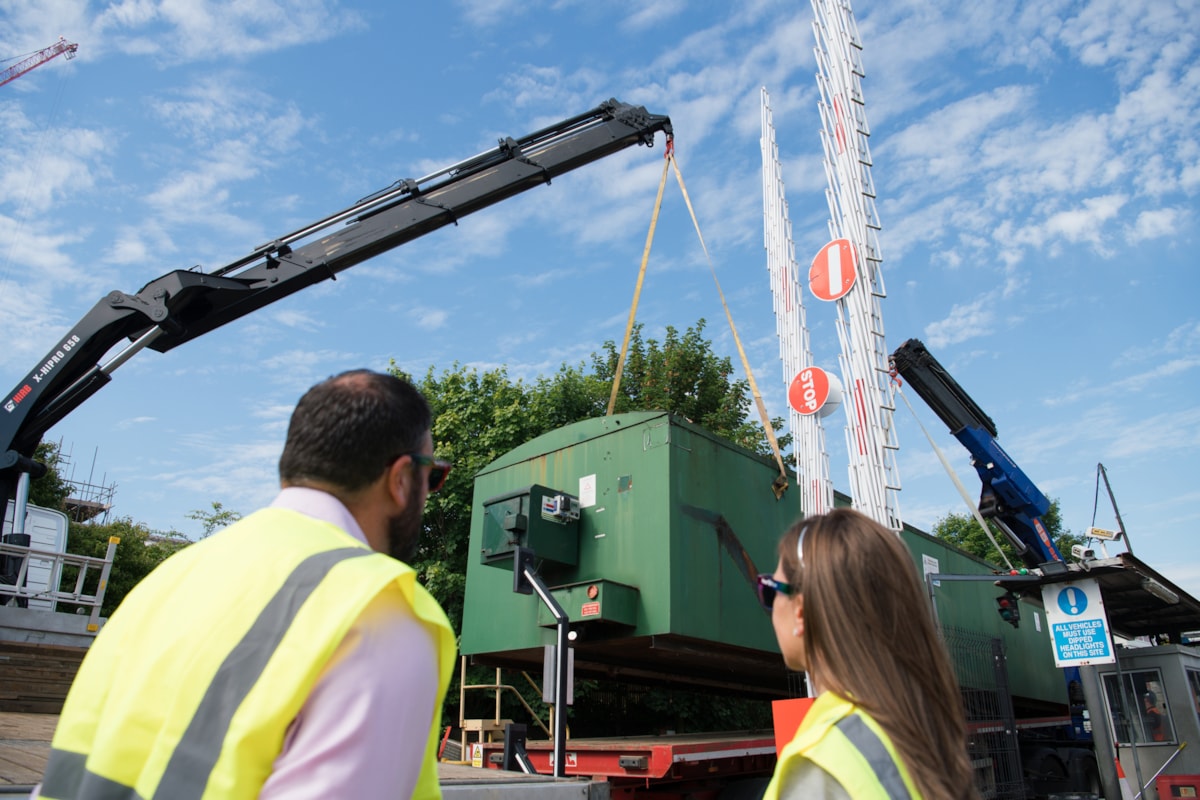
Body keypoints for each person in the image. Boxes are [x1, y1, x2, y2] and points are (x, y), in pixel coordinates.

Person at [36, 370, 457, 799]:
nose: (429, 492)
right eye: (434, 476)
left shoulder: (169, 578)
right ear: (402, 478)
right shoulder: (378, 609)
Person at [759, 508, 977, 800]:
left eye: (769, 591)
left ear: (800, 613)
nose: (769, 607)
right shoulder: (922, 728)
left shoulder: (820, 765)